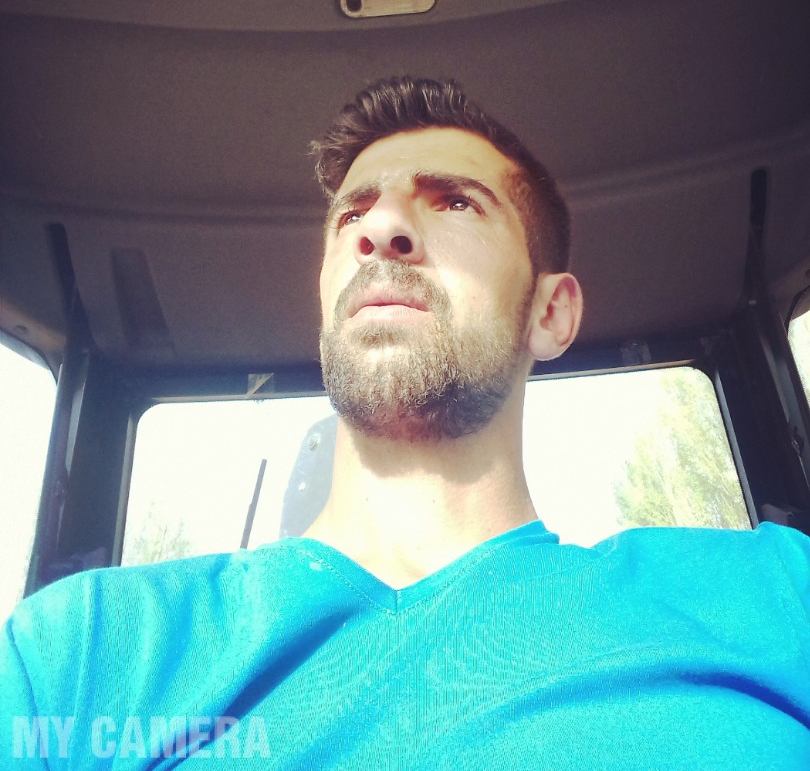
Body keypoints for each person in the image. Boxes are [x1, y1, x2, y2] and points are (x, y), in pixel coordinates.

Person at [1, 76, 809, 769]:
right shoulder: (79, 653)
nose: (378, 230)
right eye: (351, 213)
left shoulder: (773, 593)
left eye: (455, 202)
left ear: (551, 312)